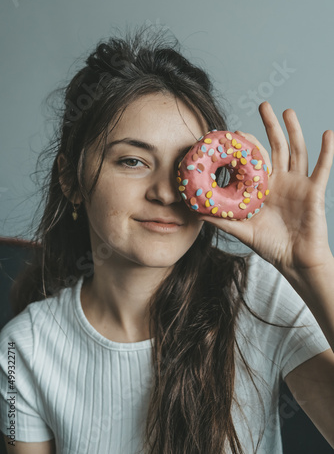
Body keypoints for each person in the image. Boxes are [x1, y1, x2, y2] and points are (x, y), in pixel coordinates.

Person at [0, 25, 334, 454]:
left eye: (184, 167)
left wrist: (312, 269)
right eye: (134, 160)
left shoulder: (258, 295)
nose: (165, 191)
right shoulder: (21, 352)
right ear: (70, 178)